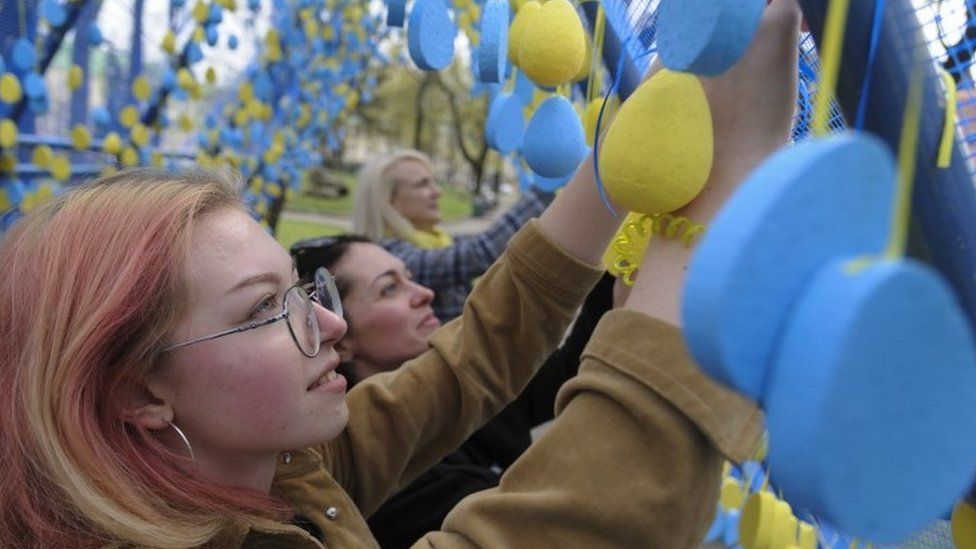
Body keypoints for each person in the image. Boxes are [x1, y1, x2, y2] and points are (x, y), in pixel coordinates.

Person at [0, 1, 799, 545]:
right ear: (139, 392)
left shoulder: (270, 473)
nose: (333, 324)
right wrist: (719, 206)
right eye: (266, 308)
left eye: (300, 288)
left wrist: (632, 145)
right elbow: (571, 526)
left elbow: (467, 361)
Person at [291, 233, 614, 546]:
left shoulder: (458, 393)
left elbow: (562, 370)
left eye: (410, 277)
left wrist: (621, 267)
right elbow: (549, 519)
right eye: (389, 289)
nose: (424, 292)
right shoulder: (372, 463)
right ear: (339, 338)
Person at [352, 149, 554, 322]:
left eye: (434, 182)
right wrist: (545, 188)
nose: (437, 192)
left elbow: (486, 242)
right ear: (390, 201)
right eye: (423, 184)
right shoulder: (390, 255)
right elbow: (479, 253)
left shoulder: (436, 242)